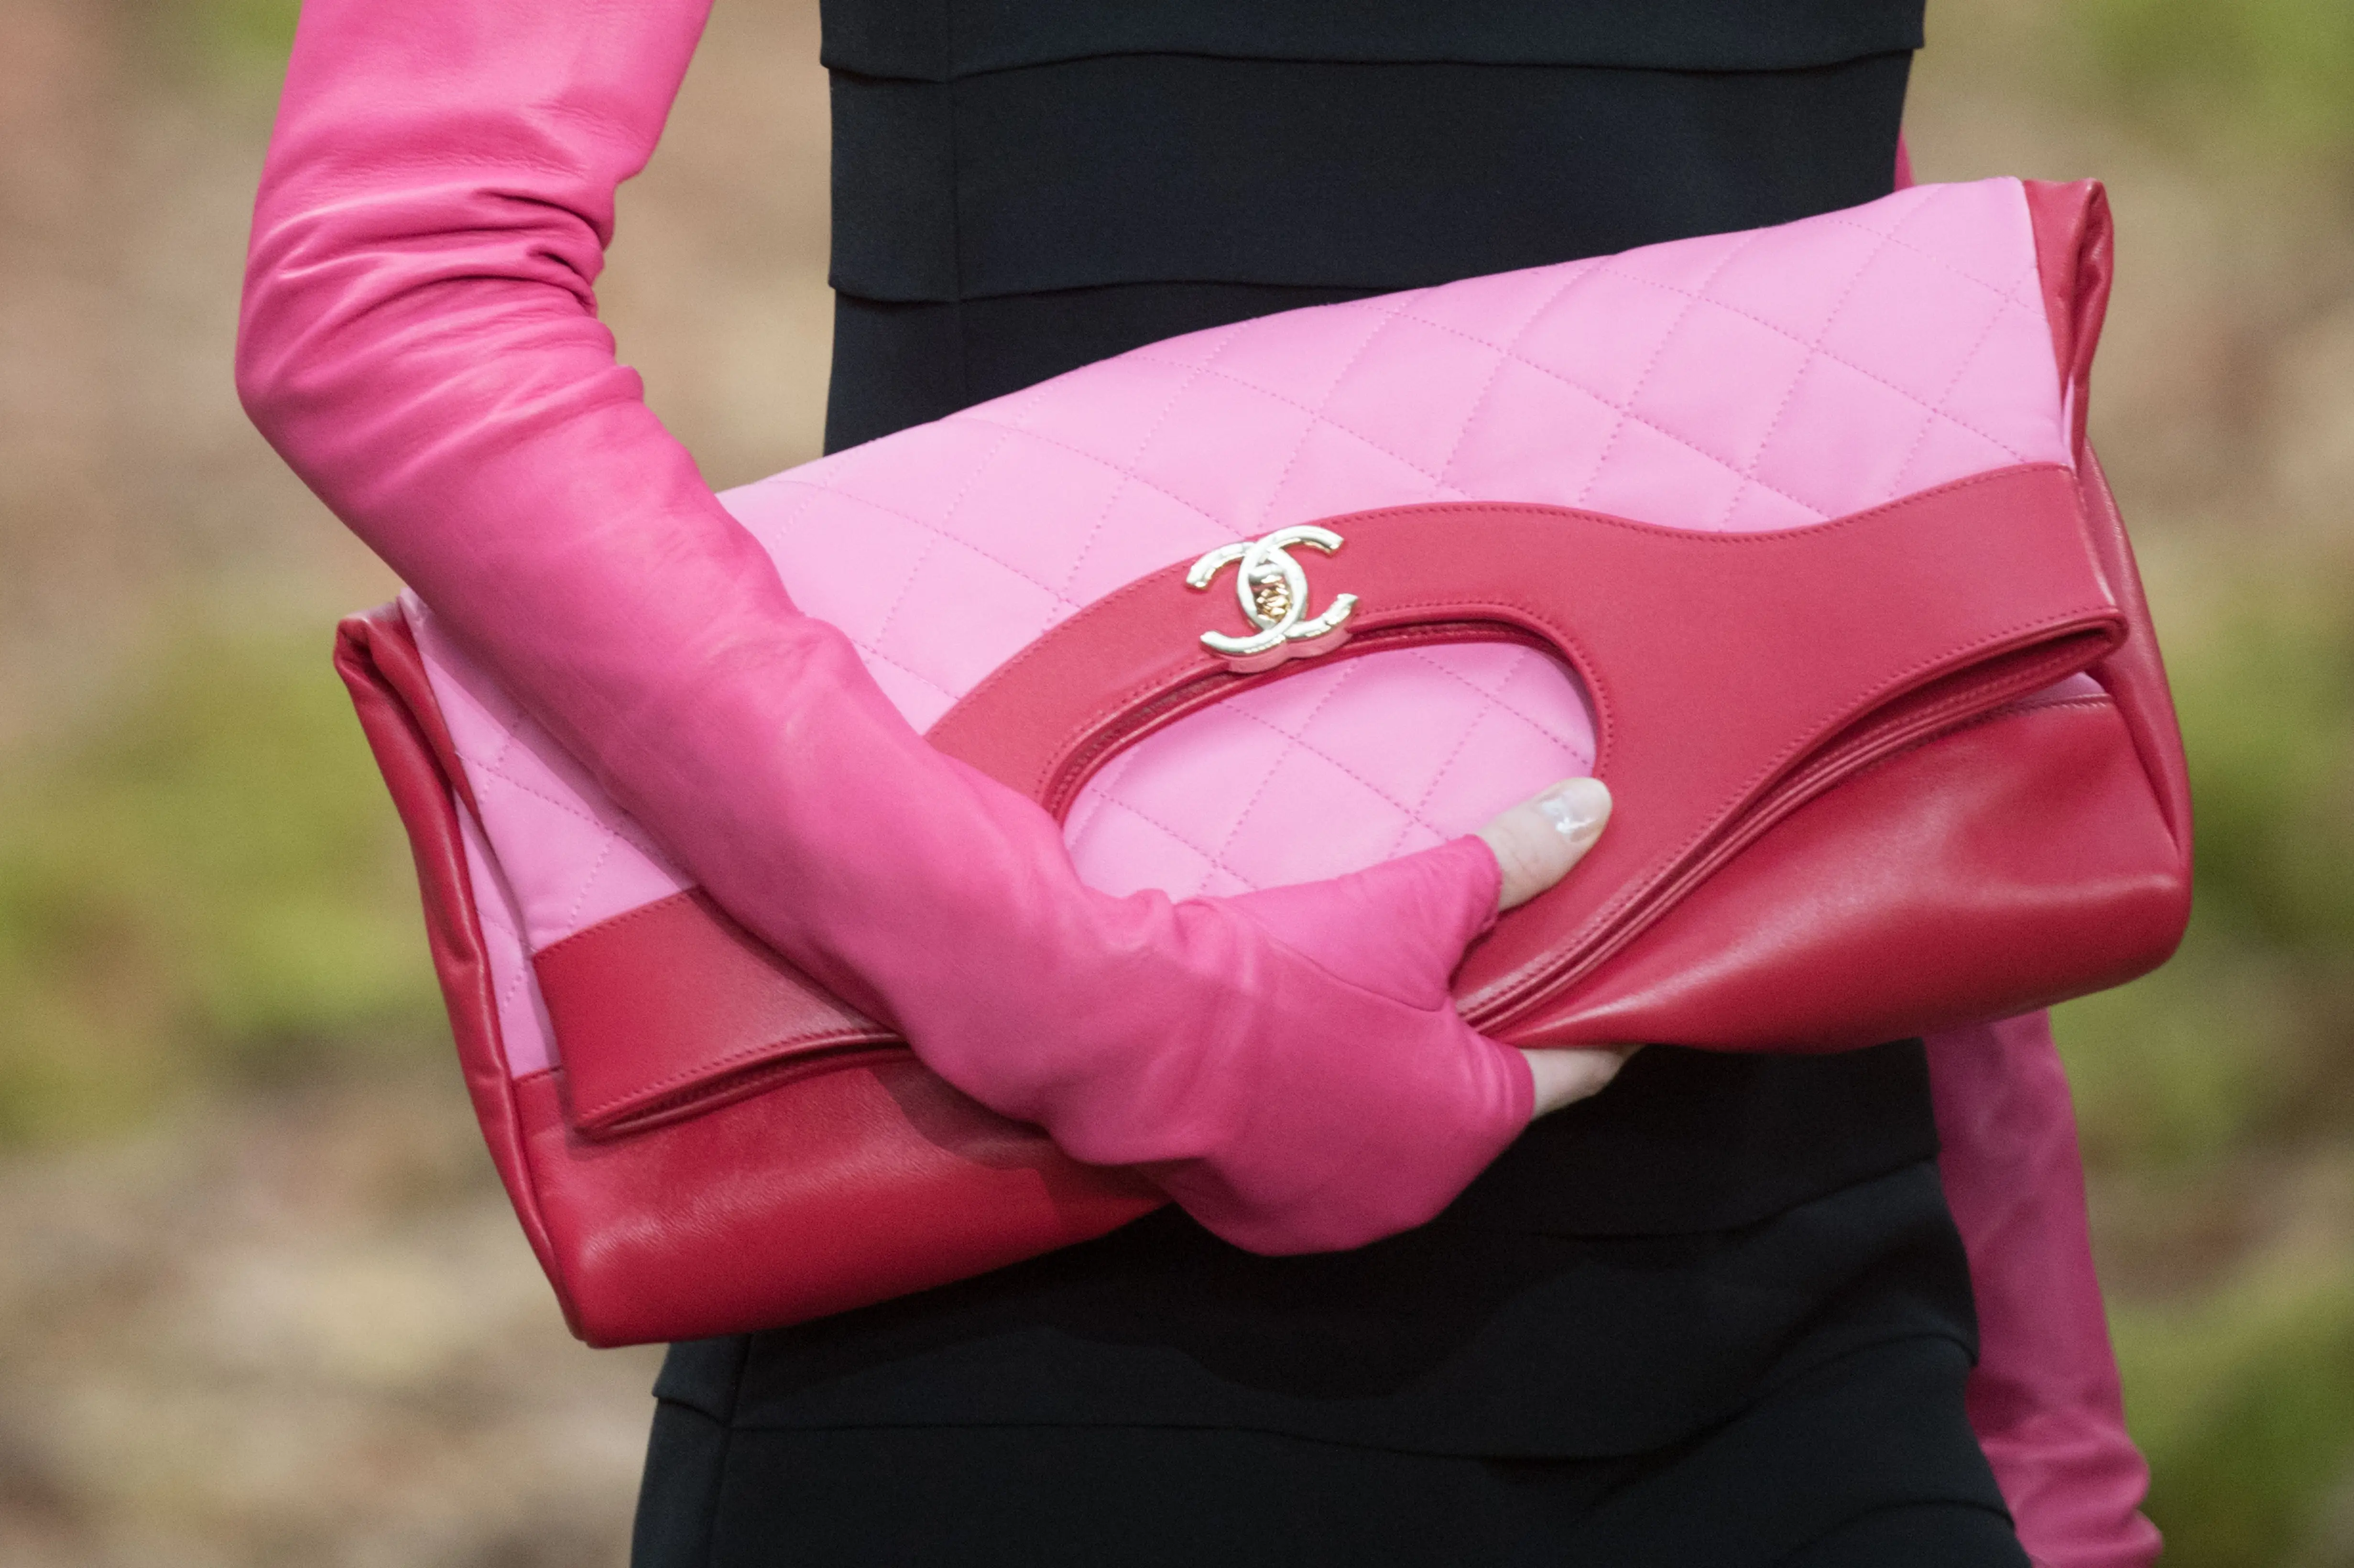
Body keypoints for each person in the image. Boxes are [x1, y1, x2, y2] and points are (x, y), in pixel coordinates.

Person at [238, 2, 2159, 1563]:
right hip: (1026, 1287)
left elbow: (1806, 287)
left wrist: (2051, 1452)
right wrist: (1111, 1013)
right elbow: (393, 280)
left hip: (1812, 1322)